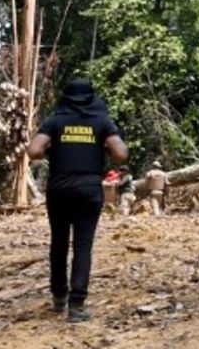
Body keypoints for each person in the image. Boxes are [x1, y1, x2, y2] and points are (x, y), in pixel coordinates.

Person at [27, 78, 128, 322]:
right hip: (89, 189)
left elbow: (33, 151)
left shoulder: (55, 121)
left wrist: (54, 147)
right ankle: (77, 305)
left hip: (59, 188)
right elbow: (121, 154)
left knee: (59, 242)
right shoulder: (101, 121)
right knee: (83, 245)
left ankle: (58, 297)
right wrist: (102, 147)